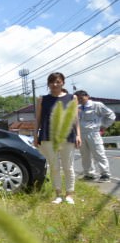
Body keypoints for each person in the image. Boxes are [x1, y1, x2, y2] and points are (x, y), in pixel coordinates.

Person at [34, 72, 81, 204]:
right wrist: (35, 135)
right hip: (48, 136)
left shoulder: (72, 98)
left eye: (58, 81)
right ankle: (58, 194)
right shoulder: (42, 99)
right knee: (54, 166)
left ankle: (69, 194)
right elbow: (38, 119)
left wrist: (78, 135)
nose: (55, 84)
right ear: (48, 84)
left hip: (68, 135)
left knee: (68, 166)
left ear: (63, 83)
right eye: (52, 82)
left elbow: (75, 118)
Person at [74, 90, 115, 183]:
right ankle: (89, 174)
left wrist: (104, 126)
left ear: (87, 96)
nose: (80, 100)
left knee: (99, 153)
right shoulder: (77, 108)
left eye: (81, 97)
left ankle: (105, 174)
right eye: (77, 98)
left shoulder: (97, 105)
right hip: (81, 134)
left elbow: (111, 115)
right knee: (85, 155)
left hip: (93, 133)